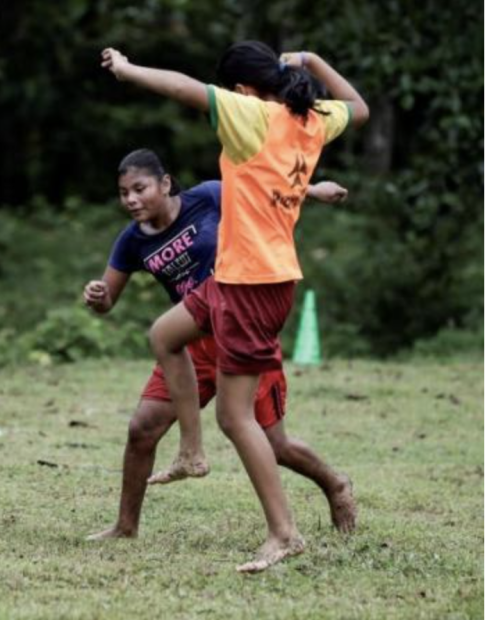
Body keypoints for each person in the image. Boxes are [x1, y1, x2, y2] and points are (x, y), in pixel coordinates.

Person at [101, 41, 368, 572]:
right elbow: (358, 108)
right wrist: (313, 61)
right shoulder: (311, 117)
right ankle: (190, 454)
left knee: (236, 417)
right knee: (165, 334)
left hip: (255, 283)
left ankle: (284, 533)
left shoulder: (251, 114)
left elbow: (183, 87)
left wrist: (129, 69)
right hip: (234, 277)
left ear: (243, 90)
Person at [84, 149, 356, 548]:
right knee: (142, 428)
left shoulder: (208, 197)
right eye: (123, 193)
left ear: (164, 183)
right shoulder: (130, 242)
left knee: (275, 445)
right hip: (190, 344)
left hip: (242, 332)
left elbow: (263, 192)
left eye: (139, 189)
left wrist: (312, 190)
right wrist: (97, 296)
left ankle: (335, 484)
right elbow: (108, 301)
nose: (131, 200)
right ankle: (126, 526)